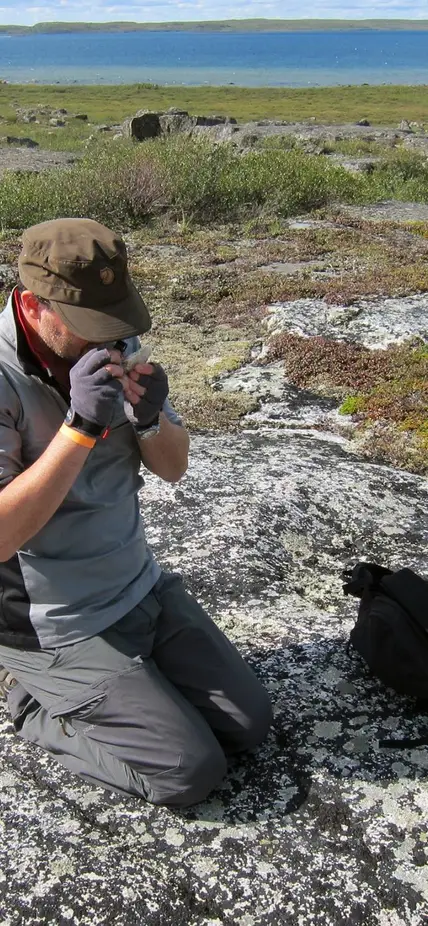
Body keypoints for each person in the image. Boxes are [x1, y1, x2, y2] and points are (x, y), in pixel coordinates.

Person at [0, 217, 272, 806]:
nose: (109, 343)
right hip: (53, 622)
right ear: (31, 304)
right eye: (90, 327)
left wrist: (151, 420)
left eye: (115, 323)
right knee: (189, 772)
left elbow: (173, 467)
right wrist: (80, 429)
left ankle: (123, 682)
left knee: (249, 725)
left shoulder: (113, 341)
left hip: (136, 584)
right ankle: (31, 703)